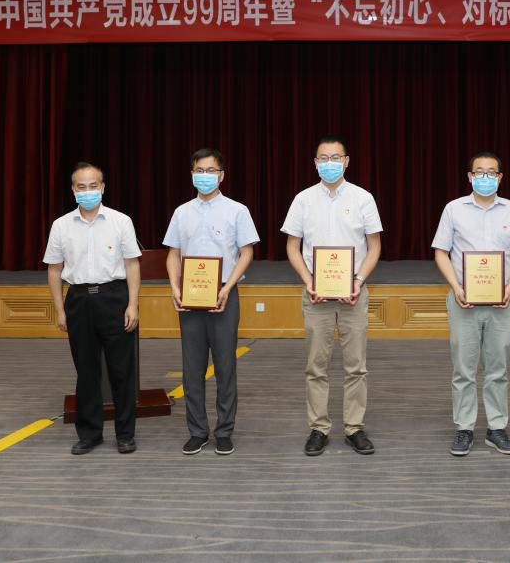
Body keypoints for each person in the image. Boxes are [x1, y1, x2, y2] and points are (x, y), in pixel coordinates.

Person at [282, 136, 383, 457]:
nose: (330, 163)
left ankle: (354, 428)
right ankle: (319, 428)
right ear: (315, 163)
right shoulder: (303, 200)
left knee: (357, 366)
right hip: (316, 295)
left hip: (354, 292)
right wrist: (309, 281)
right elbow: (292, 247)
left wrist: (358, 281)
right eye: (323, 158)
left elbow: (374, 247)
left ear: (347, 161)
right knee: (316, 366)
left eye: (336, 157)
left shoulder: (363, 198)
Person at [432, 152, 510, 457]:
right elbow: (441, 252)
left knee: (497, 369)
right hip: (463, 301)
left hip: (502, 303)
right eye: (479, 172)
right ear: (470, 177)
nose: (485, 177)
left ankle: (496, 428)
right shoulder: (453, 209)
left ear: (500, 178)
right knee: (463, 369)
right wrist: (457, 288)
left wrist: (509, 287)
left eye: (491, 173)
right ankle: (464, 428)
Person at [164, 148, 259, 456]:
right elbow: (173, 254)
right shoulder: (181, 212)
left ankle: (224, 431)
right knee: (191, 368)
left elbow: (247, 253)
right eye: (199, 171)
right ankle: (197, 431)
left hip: (224, 294)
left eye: (210, 171)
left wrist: (228, 287)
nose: (204, 176)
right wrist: (174, 287)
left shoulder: (237, 211)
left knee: (225, 366)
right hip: (189, 297)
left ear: (221, 175)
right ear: (192, 174)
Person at [44, 162, 141, 455]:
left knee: (121, 371)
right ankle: (89, 434)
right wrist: (60, 310)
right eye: (81, 187)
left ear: (103, 188)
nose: (88, 191)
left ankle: (125, 434)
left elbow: (132, 264)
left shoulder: (120, 221)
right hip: (79, 300)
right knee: (85, 371)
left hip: (114, 298)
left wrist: (133, 304)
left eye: (93, 186)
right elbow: (54, 270)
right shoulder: (61, 225)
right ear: (73, 190)